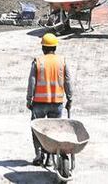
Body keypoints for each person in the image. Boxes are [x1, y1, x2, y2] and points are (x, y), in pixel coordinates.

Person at [26, 33, 74, 166]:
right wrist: (70, 98)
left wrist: (29, 99)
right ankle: (52, 157)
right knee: (55, 131)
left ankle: (39, 155)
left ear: (43, 48)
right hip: (57, 102)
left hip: (39, 103)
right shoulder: (62, 61)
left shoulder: (38, 61)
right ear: (55, 47)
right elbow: (68, 81)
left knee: (37, 130)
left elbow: (32, 82)